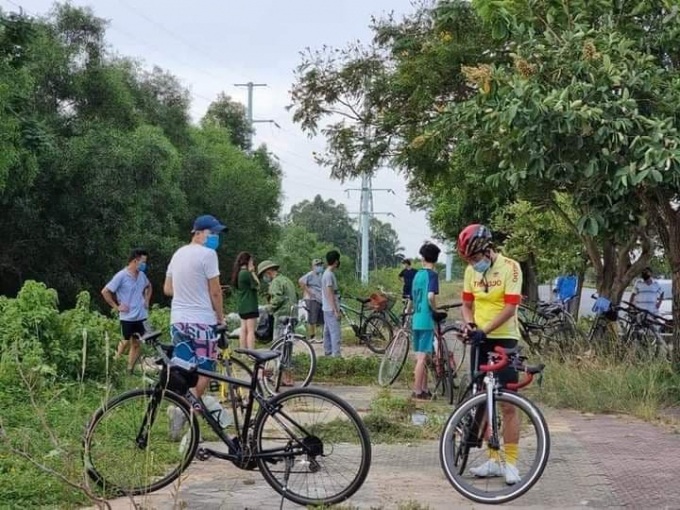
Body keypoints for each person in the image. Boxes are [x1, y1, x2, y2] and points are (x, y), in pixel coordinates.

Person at [458, 223, 522, 485]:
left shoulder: (510, 267)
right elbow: (466, 303)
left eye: (475, 258)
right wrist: (470, 324)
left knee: (507, 404)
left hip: (504, 338)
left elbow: (509, 307)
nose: (473, 264)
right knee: (482, 402)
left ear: (487, 250)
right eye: (468, 260)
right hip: (480, 339)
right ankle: (494, 459)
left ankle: (512, 462)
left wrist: (485, 330)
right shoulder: (470, 271)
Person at [164, 214, 226, 400]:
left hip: (178, 321)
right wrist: (220, 318)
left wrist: (187, 293)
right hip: (202, 322)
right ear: (198, 233)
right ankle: (187, 409)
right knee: (205, 369)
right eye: (213, 233)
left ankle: (181, 405)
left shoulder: (178, 254)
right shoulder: (208, 254)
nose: (216, 237)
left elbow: (167, 288)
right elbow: (215, 292)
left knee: (184, 368)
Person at [101, 248, 152, 373]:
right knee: (124, 342)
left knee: (137, 343)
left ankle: (129, 370)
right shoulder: (121, 276)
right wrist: (116, 307)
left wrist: (146, 300)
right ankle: (114, 365)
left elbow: (149, 286)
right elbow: (105, 291)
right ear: (135, 260)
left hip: (141, 316)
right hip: (127, 317)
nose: (144, 265)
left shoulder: (142, 275)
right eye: (143, 262)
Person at [258, 260, 298, 385]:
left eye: (264, 274)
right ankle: (288, 378)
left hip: (281, 317)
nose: (265, 277)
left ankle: (279, 378)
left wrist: (267, 309)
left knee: (278, 348)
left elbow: (277, 298)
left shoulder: (276, 282)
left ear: (268, 272)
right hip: (292, 316)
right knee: (288, 349)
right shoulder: (287, 280)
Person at [410, 243, 440, 400]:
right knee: (423, 358)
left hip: (415, 318)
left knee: (421, 356)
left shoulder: (417, 275)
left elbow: (413, 296)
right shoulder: (432, 275)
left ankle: (424, 388)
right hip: (426, 319)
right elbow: (430, 296)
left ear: (423, 258)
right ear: (435, 258)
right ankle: (417, 391)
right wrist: (435, 310)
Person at [231, 251, 259, 349]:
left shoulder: (239, 273)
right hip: (250, 305)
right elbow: (257, 285)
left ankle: (242, 350)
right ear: (248, 262)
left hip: (242, 305)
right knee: (251, 330)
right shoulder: (247, 274)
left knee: (243, 328)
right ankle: (251, 351)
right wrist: (252, 272)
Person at [299, 258, 325, 344]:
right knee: (312, 318)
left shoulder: (321, 275)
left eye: (320, 265)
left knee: (321, 319)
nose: (319, 267)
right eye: (317, 265)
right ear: (313, 266)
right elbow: (301, 281)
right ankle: (312, 336)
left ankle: (321, 336)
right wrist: (308, 291)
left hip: (320, 299)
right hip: (311, 299)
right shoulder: (310, 275)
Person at [321, 250, 342, 358]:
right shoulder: (329, 275)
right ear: (336, 261)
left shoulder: (326, 273)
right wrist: (335, 310)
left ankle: (328, 353)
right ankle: (336, 356)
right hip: (330, 308)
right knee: (335, 333)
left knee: (328, 331)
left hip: (326, 308)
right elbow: (330, 293)